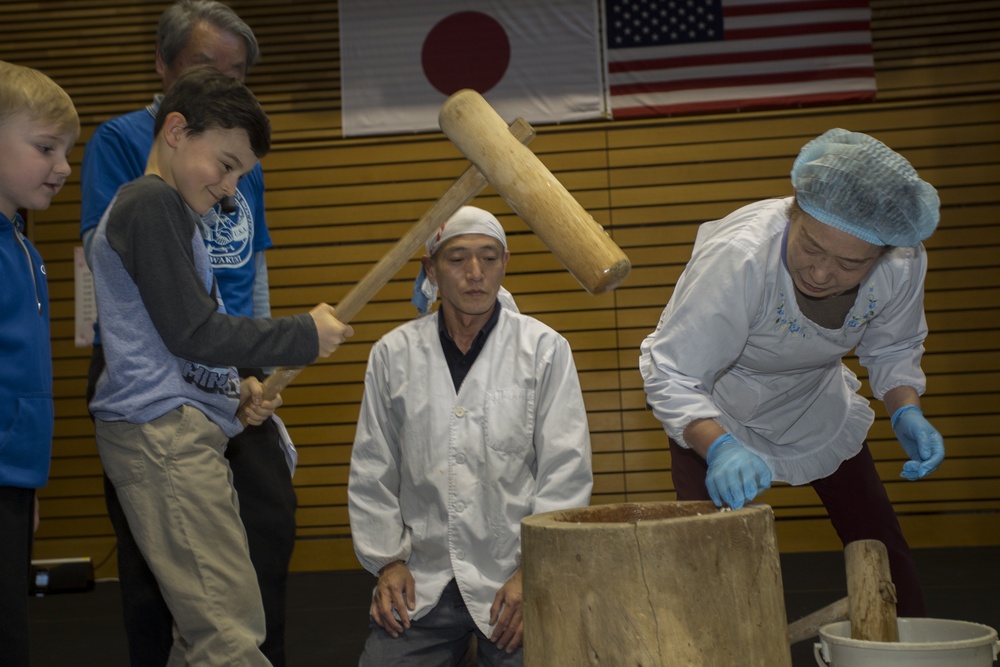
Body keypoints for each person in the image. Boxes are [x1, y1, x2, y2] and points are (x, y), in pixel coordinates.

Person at [88, 66, 352, 665]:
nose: (232, 187)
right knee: (228, 631)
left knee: (204, 629)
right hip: (162, 437)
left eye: (241, 174)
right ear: (176, 130)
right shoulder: (151, 203)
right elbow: (195, 330)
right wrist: (301, 335)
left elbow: (171, 343)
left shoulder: (174, 215)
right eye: (226, 164)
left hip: (181, 429)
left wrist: (232, 390)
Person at [639, 128, 945, 618]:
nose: (821, 274)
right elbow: (673, 372)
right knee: (706, 559)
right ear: (794, 212)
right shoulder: (739, 256)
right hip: (715, 405)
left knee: (879, 540)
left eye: (849, 264)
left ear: (882, 254)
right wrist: (718, 446)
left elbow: (895, 344)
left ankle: (907, 648)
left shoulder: (902, 261)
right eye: (811, 248)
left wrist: (906, 408)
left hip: (814, 399)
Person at [348, 206, 593, 666]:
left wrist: (533, 573)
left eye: (489, 258)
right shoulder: (393, 355)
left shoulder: (543, 350)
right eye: (458, 259)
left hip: (516, 580)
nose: (475, 273)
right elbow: (372, 468)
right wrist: (389, 562)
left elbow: (566, 471)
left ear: (505, 264)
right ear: (432, 270)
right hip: (422, 580)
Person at [0, 59, 79, 667]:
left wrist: (27, 486)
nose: (63, 167)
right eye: (45, 148)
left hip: (13, 478)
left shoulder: (22, 243)